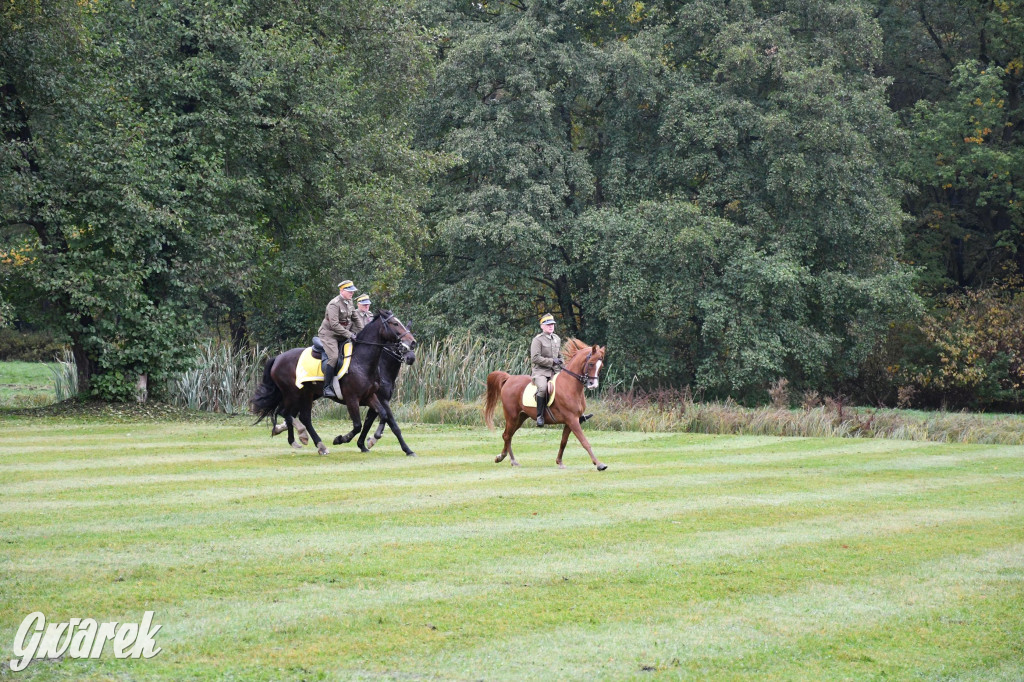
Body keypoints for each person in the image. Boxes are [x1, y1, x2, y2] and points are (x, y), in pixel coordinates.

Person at [317, 280, 365, 399]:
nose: (352, 293)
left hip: (342, 335)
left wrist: (363, 332)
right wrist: (350, 334)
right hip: (329, 334)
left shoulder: (349, 302)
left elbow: (356, 318)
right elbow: (334, 325)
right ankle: (327, 387)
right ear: (342, 290)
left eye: (353, 291)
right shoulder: (334, 304)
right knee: (333, 357)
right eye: (349, 291)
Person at [530, 313, 562, 427]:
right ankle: (539, 416)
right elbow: (535, 358)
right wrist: (552, 361)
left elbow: (559, 355)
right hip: (541, 372)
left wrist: (561, 362)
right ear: (542, 326)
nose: (551, 326)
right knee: (543, 388)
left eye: (552, 324)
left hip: (555, 371)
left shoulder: (557, 339)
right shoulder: (538, 340)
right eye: (548, 324)